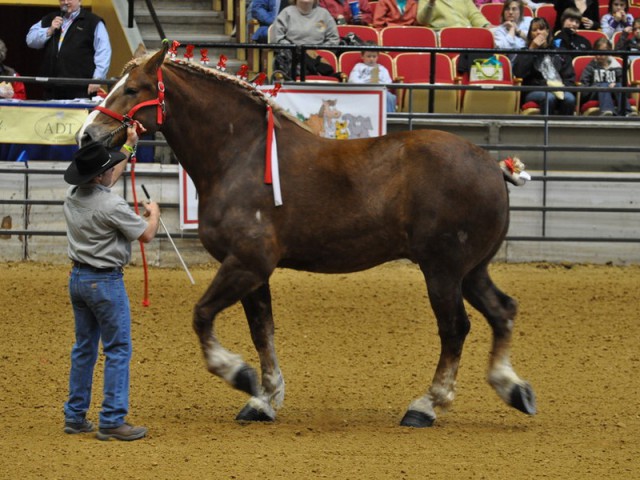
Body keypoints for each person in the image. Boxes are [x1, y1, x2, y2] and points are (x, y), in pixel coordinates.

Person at [62, 123, 160, 442]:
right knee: (118, 349)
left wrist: (129, 146)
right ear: (99, 175)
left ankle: (75, 416)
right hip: (105, 281)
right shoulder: (111, 205)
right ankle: (113, 419)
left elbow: (107, 178)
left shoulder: (74, 194)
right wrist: (153, 213)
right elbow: (146, 234)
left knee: (84, 348)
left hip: (78, 278)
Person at [26, 0, 111, 100]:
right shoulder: (50, 19)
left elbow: (103, 51)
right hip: (51, 87)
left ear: (80, 1)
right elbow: (30, 41)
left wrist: (98, 79)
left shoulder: (92, 21)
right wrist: (50, 30)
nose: (65, 2)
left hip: (80, 88)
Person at [513, 17, 577, 115]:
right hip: (535, 90)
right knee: (549, 97)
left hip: (559, 89)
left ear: (547, 31)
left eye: (541, 29)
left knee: (570, 99)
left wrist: (561, 87)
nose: (538, 32)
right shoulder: (525, 51)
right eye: (534, 30)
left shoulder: (560, 52)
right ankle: (546, 129)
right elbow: (519, 73)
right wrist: (532, 49)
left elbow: (569, 77)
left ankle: (563, 129)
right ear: (530, 34)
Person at [271, 0, 340, 80]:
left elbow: (333, 39)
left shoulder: (324, 14)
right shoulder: (286, 12)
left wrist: (317, 52)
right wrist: (295, 49)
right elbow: (277, 38)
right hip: (293, 57)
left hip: (318, 59)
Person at [580, 37, 635, 116]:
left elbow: (624, 83)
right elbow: (584, 87)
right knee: (604, 84)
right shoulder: (590, 67)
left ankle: (627, 112)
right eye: (596, 52)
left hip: (615, 93)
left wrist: (615, 84)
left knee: (618, 85)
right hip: (595, 93)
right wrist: (599, 85)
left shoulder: (616, 66)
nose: (599, 56)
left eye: (602, 53)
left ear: (609, 52)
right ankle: (607, 111)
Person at [348, 42, 397, 112]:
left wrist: (379, 85)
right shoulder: (358, 66)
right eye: (368, 56)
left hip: (379, 90)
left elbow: (388, 82)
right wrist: (366, 84)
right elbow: (352, 80)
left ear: (378, 57)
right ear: (362, 56)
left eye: (374, 56)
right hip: (363, 91)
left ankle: (389, 120)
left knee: (390, 97)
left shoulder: (382, 68)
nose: (371, 59)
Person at [416, 0, 491, 29]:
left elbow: (475, 15)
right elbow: (422, 20)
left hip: (467, 32)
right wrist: (431, 3)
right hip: (443, 34)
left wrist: (487, 26)